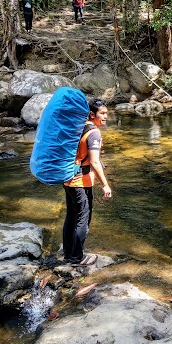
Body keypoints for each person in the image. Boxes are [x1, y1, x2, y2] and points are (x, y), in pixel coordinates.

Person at [62, 99, 112, 265]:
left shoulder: (78, 127)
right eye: (102, 113)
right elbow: (94, 162)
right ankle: (77, 258)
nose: (105, 116)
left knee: (71, 217)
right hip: (81, 182)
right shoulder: (94, 133)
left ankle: (68, 255)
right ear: (92, 114)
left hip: (67, 179)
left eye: (106, 113)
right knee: (83, 218)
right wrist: (104, 184)